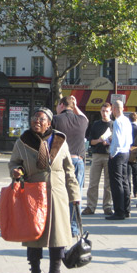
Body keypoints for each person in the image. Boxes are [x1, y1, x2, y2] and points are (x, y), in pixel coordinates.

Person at [9, 107, 80, 273]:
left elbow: (69, 170)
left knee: (58, 234)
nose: (37, 121)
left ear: (49, 123)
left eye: (41, 119)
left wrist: (75, 195)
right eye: (34, 118)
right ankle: (34, 271)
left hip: (57, 193)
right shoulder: (23, 141)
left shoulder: (60, 140)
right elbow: (13, 163)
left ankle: (55, 271)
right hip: (34, 191)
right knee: (34, 233)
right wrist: (17, 171)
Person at [52, 96, 88, 236]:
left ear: (61, 105)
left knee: (59, 194)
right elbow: (85, 117)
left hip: (61, 161)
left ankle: (60, 225)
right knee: (75, 195)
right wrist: (76, 105)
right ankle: (74, 228)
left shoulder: (56, 119)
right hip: (78, 160)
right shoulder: (82, 121)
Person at [82, 103, 113, 216]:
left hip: (109, 155)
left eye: (107, 111)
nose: (104, 113)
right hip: (97, 155)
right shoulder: (96, 124)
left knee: (108, 183)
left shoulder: (113, 124)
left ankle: (107, 206)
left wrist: (108, 142)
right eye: (103, 111)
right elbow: (90, 141)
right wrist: (99, 141)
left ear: (111, 112)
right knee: (93, 182)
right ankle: (91, 206)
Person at [105, 100, 133, 221]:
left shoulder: (117, 122)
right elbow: (129, 139)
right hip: (126, 152)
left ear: (115, 108)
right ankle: (126, 209)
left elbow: (118, 141)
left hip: (118, 153)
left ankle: (119, 211)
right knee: (125, 181)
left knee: (116, 183)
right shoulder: (127, 120)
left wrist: (112, 153)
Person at [128, 112, 137, 198]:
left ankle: (128, 191)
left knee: (127, 173)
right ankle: (136, 191)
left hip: (127, 150)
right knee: (135, 173)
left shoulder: (127, 128)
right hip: (135, 151)